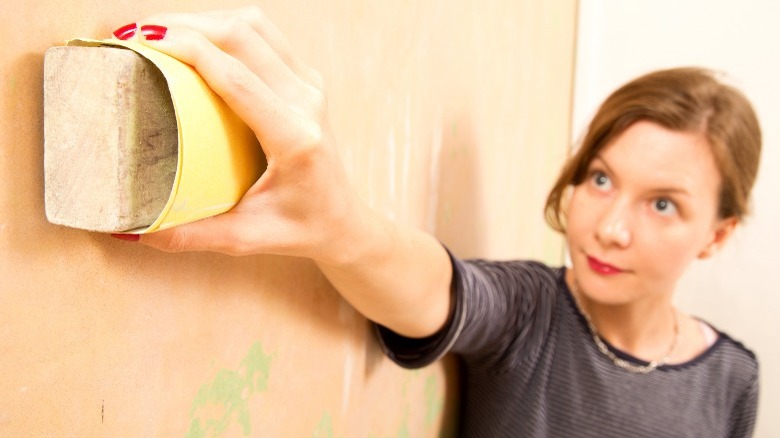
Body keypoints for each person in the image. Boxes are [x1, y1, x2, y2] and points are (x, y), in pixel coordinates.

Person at [110, 7, 761, 437]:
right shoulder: (531, 312)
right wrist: (341, 224)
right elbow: (434, 287)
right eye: (600, 178)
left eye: (663, 203)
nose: (611, 227)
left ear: (718, 234)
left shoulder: (734, 379)